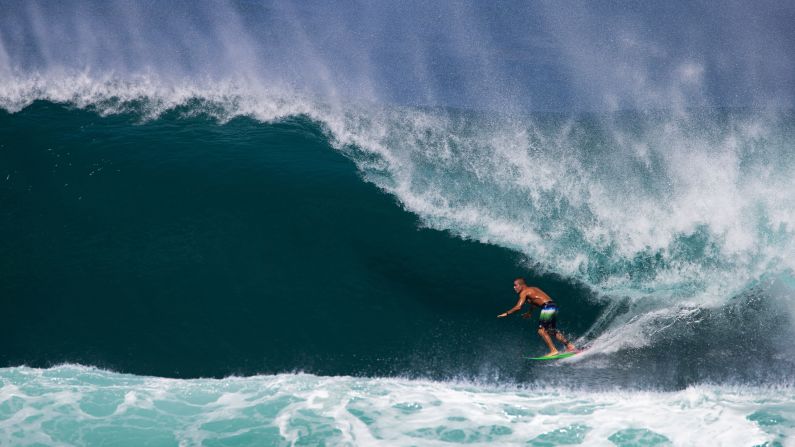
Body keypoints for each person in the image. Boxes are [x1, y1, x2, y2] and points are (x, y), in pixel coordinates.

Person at [497, 278, 576, 356]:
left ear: (521, 285)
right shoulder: (534, 289)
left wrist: (507, 313)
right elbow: (535, 303)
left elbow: (518, 307)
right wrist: (529, 312)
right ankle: (569, 346)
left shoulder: (524, 292)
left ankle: (553, 350)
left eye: (515, 285)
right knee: (551, 331)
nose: (514, 287)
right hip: (553, 306)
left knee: (541, 331)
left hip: (547, 307)